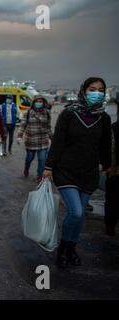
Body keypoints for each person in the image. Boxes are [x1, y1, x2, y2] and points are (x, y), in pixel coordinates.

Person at [44, 77, 111, 268]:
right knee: (76, 212)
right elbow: (58, 142)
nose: (96, 93)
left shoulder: (104, 118)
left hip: (89, 172)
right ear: (84, 91)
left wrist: (107, 166)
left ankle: (72, 249)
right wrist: (49, 167)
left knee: (80, 217)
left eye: (100, 90)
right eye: (92, 89)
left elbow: (105, 145)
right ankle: (62, 249)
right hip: (66, 171)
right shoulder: (69, 114)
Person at [17, 96, 53, 184]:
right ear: (33, 103)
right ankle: (26, 168)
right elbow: (23, 125)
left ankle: (39, 176)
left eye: (41, 101)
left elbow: (48, 127)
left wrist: (52, 138)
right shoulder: (28, 113)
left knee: (42, 159)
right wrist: (19, 136)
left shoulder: (47, 113)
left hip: (43, 141)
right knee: (29, 158)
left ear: (44, 103)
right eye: (37, 101)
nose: (39, 103)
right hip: (31, 141)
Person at [105, 101, 119, 236]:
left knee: (112, 201)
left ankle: (110, 227)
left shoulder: (114, 127)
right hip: (114, 172)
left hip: (114, 172)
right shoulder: (114, 127)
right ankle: (110, 227)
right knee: (112, 201)